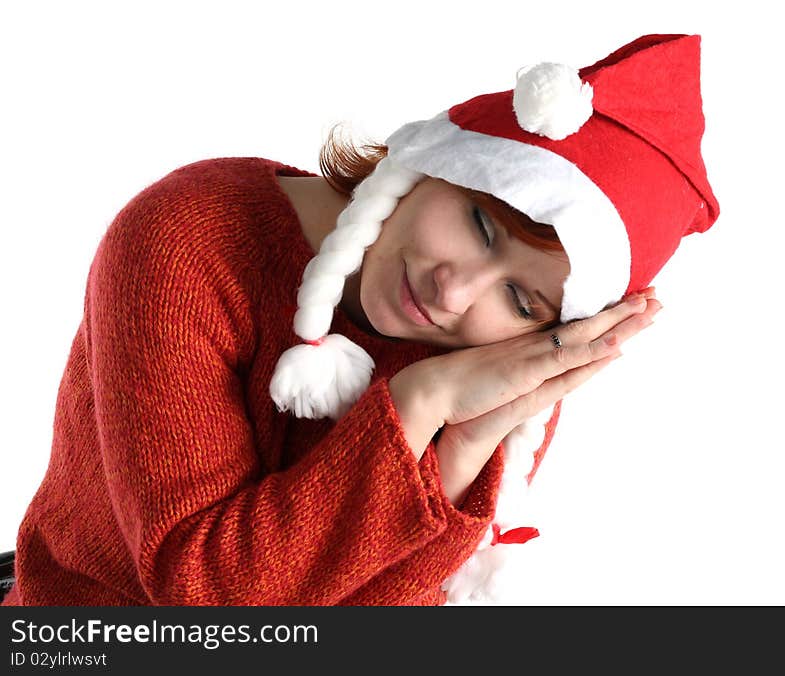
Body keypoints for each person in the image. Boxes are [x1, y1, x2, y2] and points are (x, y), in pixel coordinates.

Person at [1, 32, 718, 606]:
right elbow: (204, 603)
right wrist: (416, 404)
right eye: (480, 225)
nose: (456, 293)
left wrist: (464, 447)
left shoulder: (502, 366)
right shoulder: (191, 237)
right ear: (435, 163)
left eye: (523, 302)